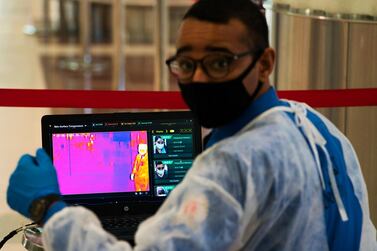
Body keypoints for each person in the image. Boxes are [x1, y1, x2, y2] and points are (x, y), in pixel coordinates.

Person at [6, 0, 377, 250]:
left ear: (264, 63)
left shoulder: (232, 165)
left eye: (219, 63)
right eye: (186, 64)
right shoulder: (314, 124)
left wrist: (51, 209)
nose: (199, 79)